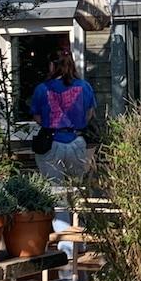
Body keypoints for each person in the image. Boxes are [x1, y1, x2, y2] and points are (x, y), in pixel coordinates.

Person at [27, 48, 96, 232]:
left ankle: (64, 239)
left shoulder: (42, 89)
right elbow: (89, 114)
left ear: (52, 65)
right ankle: (80, 235)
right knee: (78, 190)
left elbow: (37, 117)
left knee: (56, 192)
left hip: (51, 142)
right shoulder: (84, 87)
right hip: (77, 141)